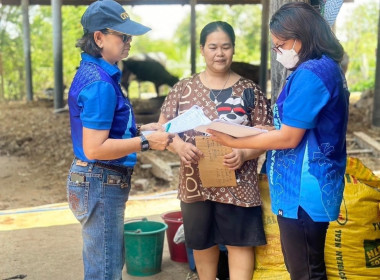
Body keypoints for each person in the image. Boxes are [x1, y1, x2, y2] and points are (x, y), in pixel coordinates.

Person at [208, 3, 349, 280]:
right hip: (311, 185)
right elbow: (290, 127)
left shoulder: (311, 74)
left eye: (280, 45)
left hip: (303, 189)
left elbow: (288, 137)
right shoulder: (325, 68)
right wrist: (248, 131)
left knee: (306, 271)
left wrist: (233, 140)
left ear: (301, 37)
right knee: (307, 266)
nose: (279, 52)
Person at [66, 1, 173, 279]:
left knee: (105, 263)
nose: (129, 42)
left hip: (96, 179)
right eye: (123, 36)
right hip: (101, 180)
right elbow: (95, 147)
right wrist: (147, 143)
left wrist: (138, 130)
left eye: (130, 36)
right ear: (99, 38)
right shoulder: (101, 83)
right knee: (105, 270)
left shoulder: (98, 74)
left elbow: (103, 132)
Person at [159, 21, 273, 280]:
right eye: (213, 47)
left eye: (226, 47)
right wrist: (178, 146)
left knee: (239, 243)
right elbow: (161, 129)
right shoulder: (183, 89)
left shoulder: (249, 90)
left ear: (233, 49)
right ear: (202, 49)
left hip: (239, 183)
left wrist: (244, 153)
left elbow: (266, 134)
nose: (219, 53)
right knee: (202, 242)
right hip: (195, 183)